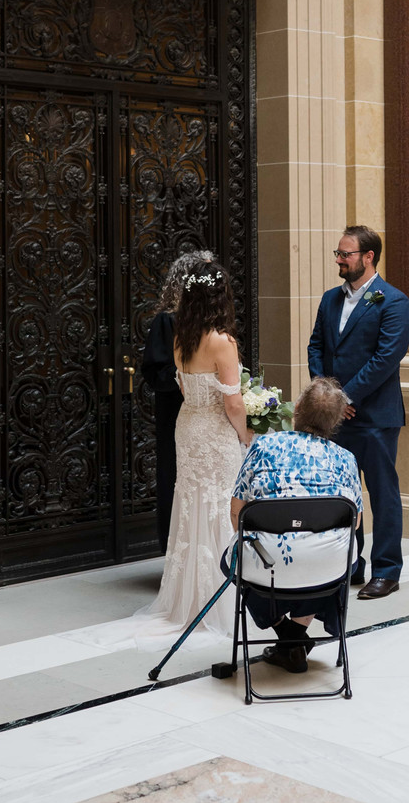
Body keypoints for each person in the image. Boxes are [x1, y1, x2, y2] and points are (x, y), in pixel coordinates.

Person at [141, 261, 251, 635]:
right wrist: (247, 434)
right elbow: (233, 403)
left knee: (191, 501)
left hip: (188, 425)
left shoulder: (181, 337)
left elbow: (186, 389)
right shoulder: (223, 340)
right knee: (222, 504)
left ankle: (185, 596)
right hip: (216, 431)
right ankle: (219, 596)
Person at [307, 226, 409, 599]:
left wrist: (347, 397)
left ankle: (387, 570)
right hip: (336, 417)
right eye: (338, 253)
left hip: (375, 417)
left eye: (346, 254)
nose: (339, 259)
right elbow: (315, 347)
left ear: (368, 257)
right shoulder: (329, 300)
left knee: (382, 494)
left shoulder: (393, 302)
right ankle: (350, 564)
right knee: (341, 494)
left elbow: (387, 358)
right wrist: (329, 396)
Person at [230, 377, 362, 673]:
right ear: (337, 420)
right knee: (336, 552)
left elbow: (237, 514)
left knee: (236, 557)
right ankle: (297, 636)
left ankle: (288, 635)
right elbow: (355, 524)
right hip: (328, 568)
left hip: (267, 568)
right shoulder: (347, 460)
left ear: (297, 409)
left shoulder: (263, 445)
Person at [141, 248, 215, 553]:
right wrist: (187, 378)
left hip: (210, 415)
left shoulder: (212, 321)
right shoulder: (166, 322)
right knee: (177, 478)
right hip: (178, 414)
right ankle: (178, 556)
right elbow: (155, 371)